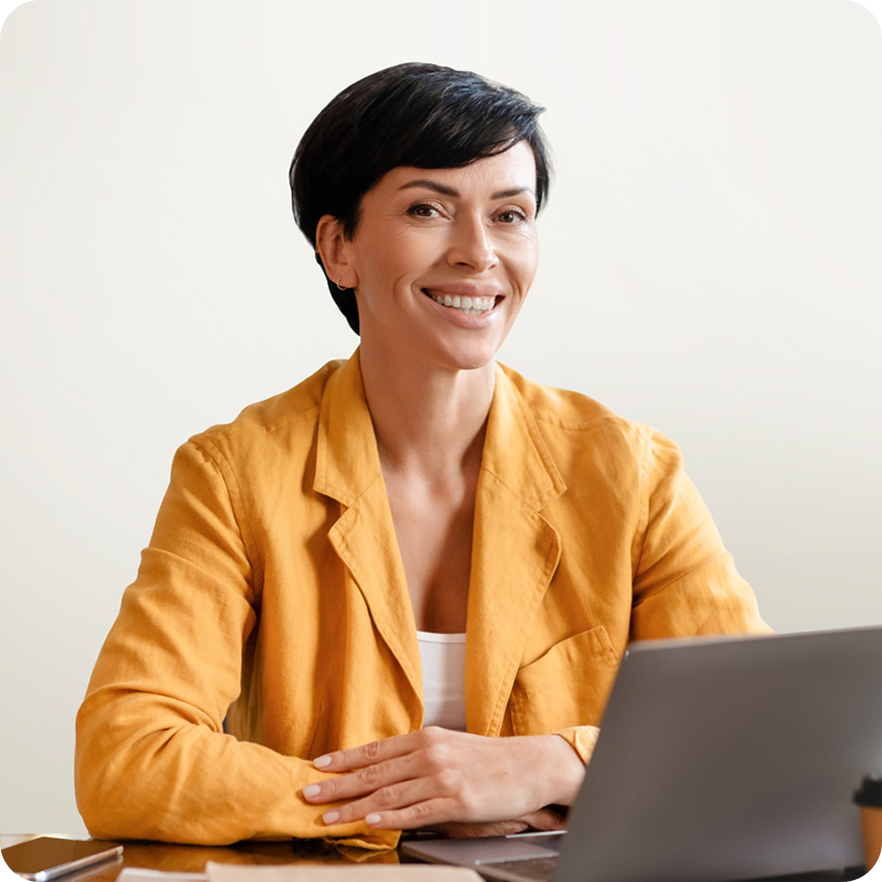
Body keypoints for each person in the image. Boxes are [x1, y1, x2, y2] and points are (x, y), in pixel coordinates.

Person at [74, 62, 771, 849]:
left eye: (510, 215)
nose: (478, 253)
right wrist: (415, 801)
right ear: (338, 248)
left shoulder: (633, 474)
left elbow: (755, 738)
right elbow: (126, 757)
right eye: (428, 208)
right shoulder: (234, 475)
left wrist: (554, 763)